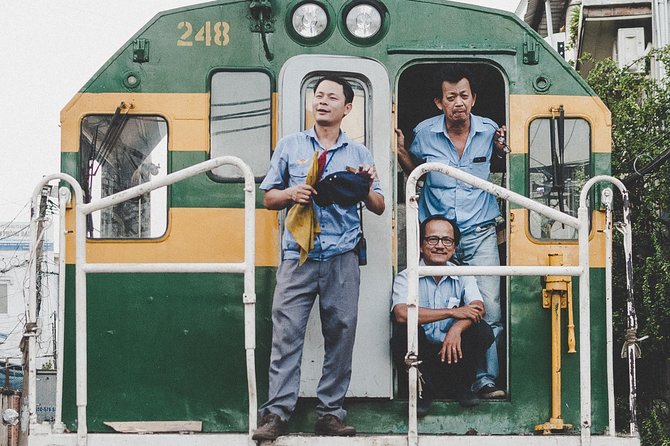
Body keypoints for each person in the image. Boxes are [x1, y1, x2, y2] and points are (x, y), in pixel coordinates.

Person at [252, 75, 385, 441]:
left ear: (348, 107)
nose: (322, 101)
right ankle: (277, 414)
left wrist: (364, 186)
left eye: (331, 97)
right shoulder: (291, 144)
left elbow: (378, 206)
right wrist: (292, 193)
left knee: (341, 334)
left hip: (341, 254)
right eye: (318, 95)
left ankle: (330, 413)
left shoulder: (358, 154)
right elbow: (268, 198)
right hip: (298, 254)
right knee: (286, 334)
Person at [396, 65, 507, 399]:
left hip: (479, 233)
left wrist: (503, 149)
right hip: (437, 239)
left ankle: (483, 379)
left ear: (473, 99)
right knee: (422, 305)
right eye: (450, 97)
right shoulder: (424, 132)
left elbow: (502, 159)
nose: (458, 102)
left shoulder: (489, 130)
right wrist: (401, 150)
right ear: (438, 102)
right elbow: (416, 172)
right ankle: (422, 380)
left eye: (464, 95)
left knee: (489, 309)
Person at [391, 216, 494, 415]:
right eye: (432, 240)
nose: (440, 246)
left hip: (452, 354)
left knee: (482, 331)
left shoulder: (462, 274)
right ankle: (422, 393)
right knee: (402, 335)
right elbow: (402, 314)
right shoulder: (407, 276)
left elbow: (478, 307)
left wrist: (456, 328)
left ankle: (461, 388)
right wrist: (451, 312)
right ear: (421, 245)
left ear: (454, 248)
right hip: (423, 357)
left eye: (447, 240)